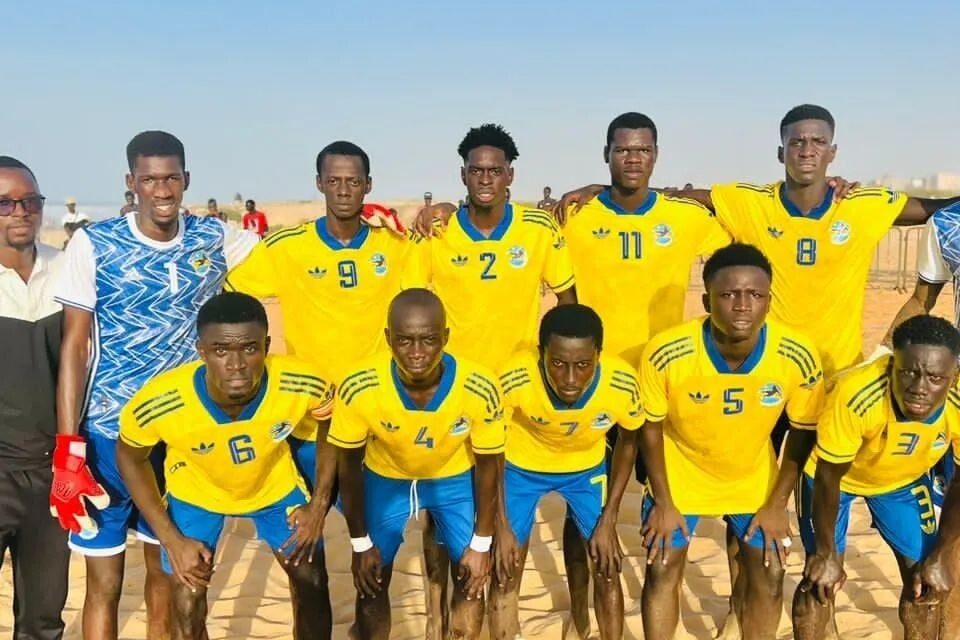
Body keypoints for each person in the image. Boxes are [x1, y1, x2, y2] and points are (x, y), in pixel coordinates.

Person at [52, 130, 259, 640]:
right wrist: (67, 446)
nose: (162, 190)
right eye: (149, 179)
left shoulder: (215, 238)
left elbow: (292, 263)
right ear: (131, 182)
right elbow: (74, 347)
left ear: (186, 180)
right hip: (107, 433)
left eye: (171, 178)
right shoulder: (93, 244)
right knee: (103, 583)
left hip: (181, 435)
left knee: (166, 575)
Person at [404, 123, 577, 637]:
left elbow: (568, 309)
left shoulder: (539, 231)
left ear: (510, 175)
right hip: (450, 395)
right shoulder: (436, 233)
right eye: (476, 169)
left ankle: (507, 622)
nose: (485, 177)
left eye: (495, 170)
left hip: (517, 398)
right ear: (463, 175)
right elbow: (413, 308)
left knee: (505, 519)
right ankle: (440, 622)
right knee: (443, 518)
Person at [117, 292, 335, 640]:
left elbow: (329, 424)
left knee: (312, 579)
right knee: (187, 599)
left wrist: (318, 505)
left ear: (266, 345)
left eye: (249, 348)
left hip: (273, 487)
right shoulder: (161, 402)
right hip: (197, 494)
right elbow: (129, 456)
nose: (236, 364)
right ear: (201, 351)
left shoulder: (302, 382)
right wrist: (171, 540)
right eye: (221, 351)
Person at [638, 243, 825, 640]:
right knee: (661, 564)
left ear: (769, 301)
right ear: (706, 301)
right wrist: (664, 502)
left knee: (771, 570)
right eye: (729, 295)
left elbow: (803, 433)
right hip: (680, 477)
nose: (743, 305)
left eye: (755, 295)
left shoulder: (797, 353)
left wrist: (777, 505)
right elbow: (649, 430)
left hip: (752, 481)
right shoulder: (666, 352)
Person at [226, 140, 418, 490]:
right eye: (334, 181)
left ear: (368, 185)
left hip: (376, 412)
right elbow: (231, 297)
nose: (344, 191)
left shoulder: (396, 245)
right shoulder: (286, 248)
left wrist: (446, 210)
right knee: (307, 531)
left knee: (375, 534)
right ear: (319, 183)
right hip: (311, 415)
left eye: (353, 181)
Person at [328, 289, 504, 640]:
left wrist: (483, 543)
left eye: (428, 340)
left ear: (446, 338)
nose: (417, 353)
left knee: (471, 579)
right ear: (388, 338)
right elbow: (348, 467)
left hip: (452, 480)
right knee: (371, 579)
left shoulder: (479, 386)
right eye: (405, 341)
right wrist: (360, 544)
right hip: (386, 478)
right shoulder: (358, 386)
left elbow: (489, 467)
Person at [795, 314, 960, 639]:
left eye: (934, 378)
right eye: (908, 373)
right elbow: (829, 477)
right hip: (833, 480)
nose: (919, 389)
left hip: (901, 481)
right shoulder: (856, 394)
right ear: (890, 366)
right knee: (821, 580)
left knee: (926, 578)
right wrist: (826, 553)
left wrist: (941, 554)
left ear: (953, 377)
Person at [490, 304, 644, 640]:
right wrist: (499, 525)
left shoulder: (621, 383)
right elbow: (491, 450)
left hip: (584, 471)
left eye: (583, 365)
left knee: (606, 565)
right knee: (504, 568)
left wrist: (610, 518)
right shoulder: (513, 376)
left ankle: (587, 626)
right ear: (541, 352)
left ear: (599, 356)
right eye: (558, 364)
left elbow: (629, 441)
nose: (571, 379)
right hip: (521, 469)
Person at [0, 156, 71, 639]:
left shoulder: (68, 273)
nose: (21, 211)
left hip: (53, 477)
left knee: (43, 621)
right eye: (5, 203)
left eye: (30, 200)